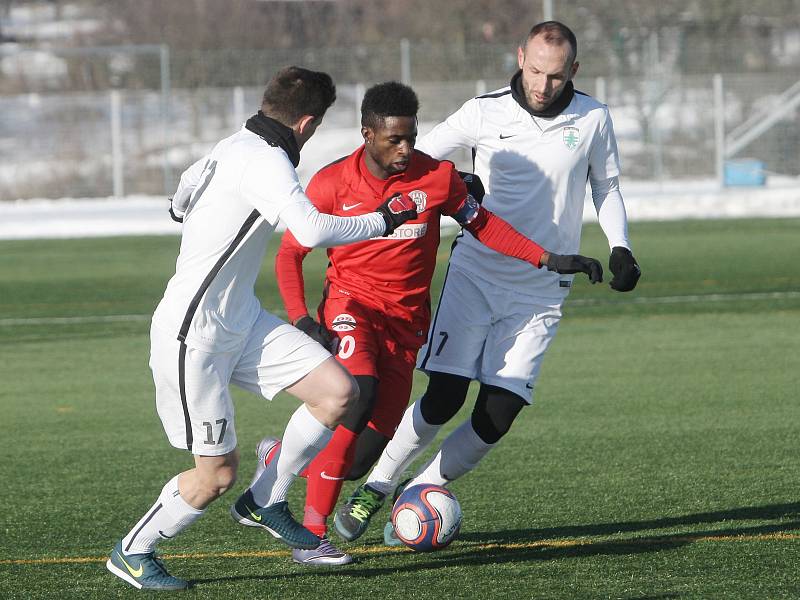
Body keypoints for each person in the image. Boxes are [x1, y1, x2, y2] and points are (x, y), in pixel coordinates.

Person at [260, 81, 602, 565]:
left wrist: (547, 258)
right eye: (393, 140)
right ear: (366, 134)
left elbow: (484, 225)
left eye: (411, 138)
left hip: (405, 326)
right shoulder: (331, 183)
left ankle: (280, 458)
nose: (405, 150)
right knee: (356, 395)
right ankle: (312, 537)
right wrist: (299, 317)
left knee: (358, 460)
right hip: (350, 306)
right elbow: (290, 255)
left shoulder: (437, 178)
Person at [105, 66, 418, 591]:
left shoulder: (233, 145)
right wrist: (380, 221)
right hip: (193, 334)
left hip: (240, 318)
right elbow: (312, 229)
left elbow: (180, 197)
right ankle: (133, 550)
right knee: (215, 476)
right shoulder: (267, 160)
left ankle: (265, 499)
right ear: (308, 123)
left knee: (337, 392)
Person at [339, 21, 642, 545]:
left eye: (555, 75)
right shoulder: (484, 110)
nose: (543, 86)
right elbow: (418, 157)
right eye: (535, 71)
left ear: (574, 70)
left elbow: (606, 185)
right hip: (477, 274)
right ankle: (377, 487)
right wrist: (459, 181)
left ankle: (422, 490)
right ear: (520, 56)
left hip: (543, 287)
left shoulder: (593, 117)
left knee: (500, 413)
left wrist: (621, 246)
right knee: (444, 397)